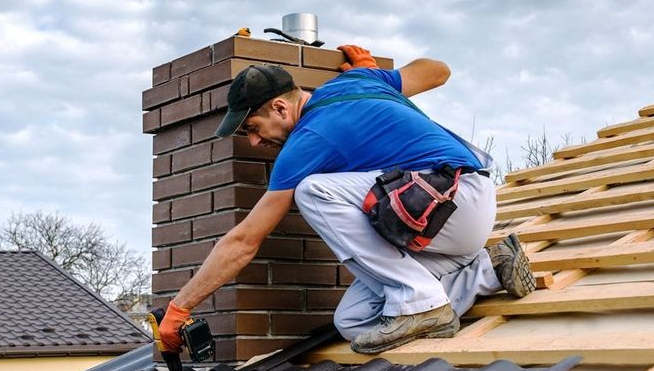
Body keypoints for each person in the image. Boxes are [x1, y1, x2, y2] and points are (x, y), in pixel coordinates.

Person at [159, 45, 533, 355]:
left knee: (314, 190)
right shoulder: (359, 80)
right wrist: (379, 78)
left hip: (453, 200)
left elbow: (244, 241)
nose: (255, 143)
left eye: (252, 129)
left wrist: (181, 307)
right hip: (445, 225)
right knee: (354, 321)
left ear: (279, 108)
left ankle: (421, 301)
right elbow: (438, 69)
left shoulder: (308, 141)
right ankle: (488, 270)